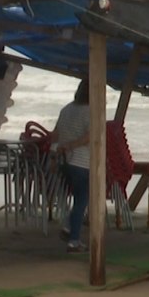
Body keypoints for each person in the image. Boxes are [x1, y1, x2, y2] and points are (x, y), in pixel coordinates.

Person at [51, 79, 91, 252]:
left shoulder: (66, 109)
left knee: (78, 199)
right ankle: (73, 239)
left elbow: (55, 135)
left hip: (65, 161)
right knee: (82, 201)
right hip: (82, 162)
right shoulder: (90, 111)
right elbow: (90, 136)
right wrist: (72, 145)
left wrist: (54, 156)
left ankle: (69, 227)